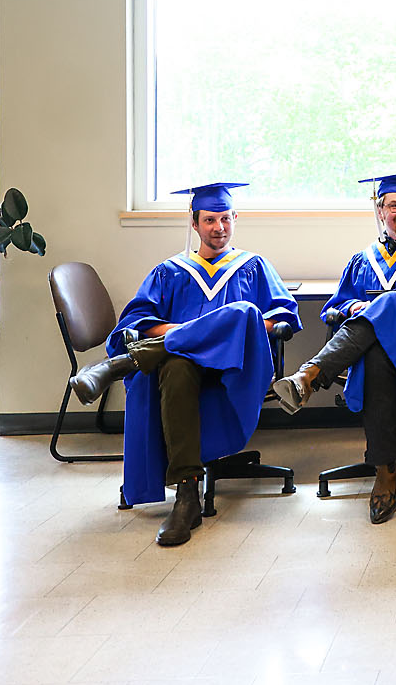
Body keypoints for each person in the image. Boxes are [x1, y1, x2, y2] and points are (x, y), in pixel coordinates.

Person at [67, 182, 301, 547]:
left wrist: (229, 327)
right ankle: (187, 495)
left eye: (225, 219)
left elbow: (282, 318)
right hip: (183, 366)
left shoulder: (254, 266)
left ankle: (124, 364)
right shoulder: (170, 271)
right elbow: (138, 322)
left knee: (243, 312)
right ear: (194, 223)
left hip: (235, 366)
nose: (219, 228)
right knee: (176, 367)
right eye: (209, 220)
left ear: (235, 219)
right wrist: (193, 334)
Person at [271, 171, 396, 524]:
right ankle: (385, 470)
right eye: (395, 205)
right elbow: (335, 306)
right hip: (382, 348)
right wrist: (354, 308)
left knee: (391, 303)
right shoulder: (364, 259)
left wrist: (384, 305)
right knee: (376, 352)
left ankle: (311, 375)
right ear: (380, 211)